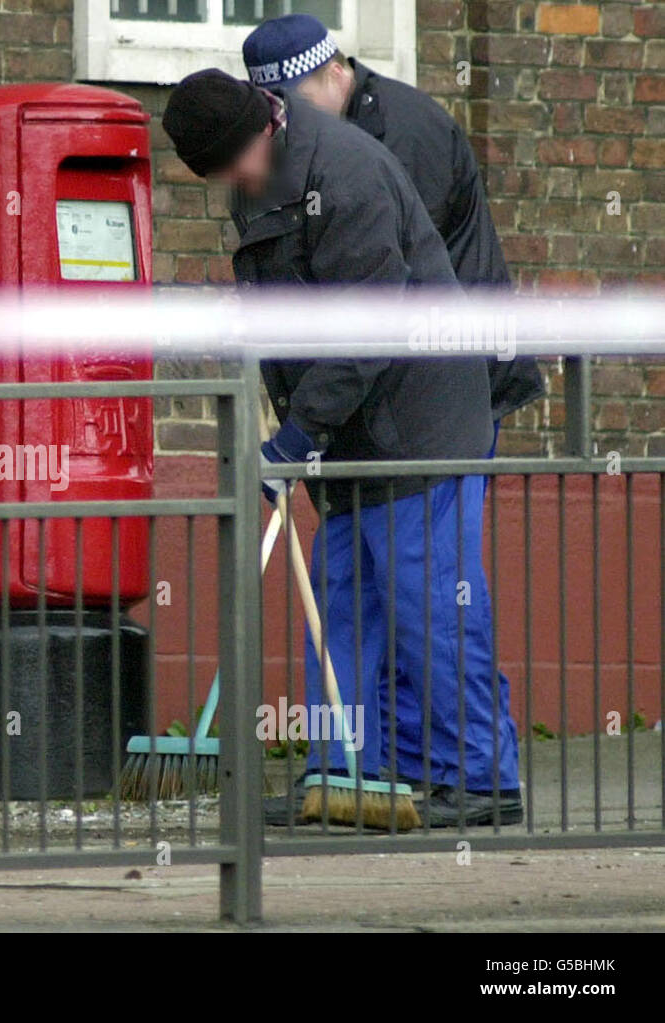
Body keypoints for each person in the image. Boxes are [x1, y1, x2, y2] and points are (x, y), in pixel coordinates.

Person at [162, 69, 521, 827]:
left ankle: (483, 779)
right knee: (341, 602)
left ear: (267, 123)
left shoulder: (347, 172)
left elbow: (369, 328)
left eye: (239, 163)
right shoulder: (257, 176)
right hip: (348, 433)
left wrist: (298, 435)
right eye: (223, 175)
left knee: (430, 604)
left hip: (417, 422)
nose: (238, 182)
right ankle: (345, 770)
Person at [244, 14, 541, 809]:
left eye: (289, 105)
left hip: (441, 389)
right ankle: (360, 767)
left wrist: (307, 422)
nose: (284, 125)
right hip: (358, 411)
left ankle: (467, 773)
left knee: (431, 593)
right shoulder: (306, 154)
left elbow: (376, 303)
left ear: (327, 73)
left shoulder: (391, 141)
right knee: (360, 594)